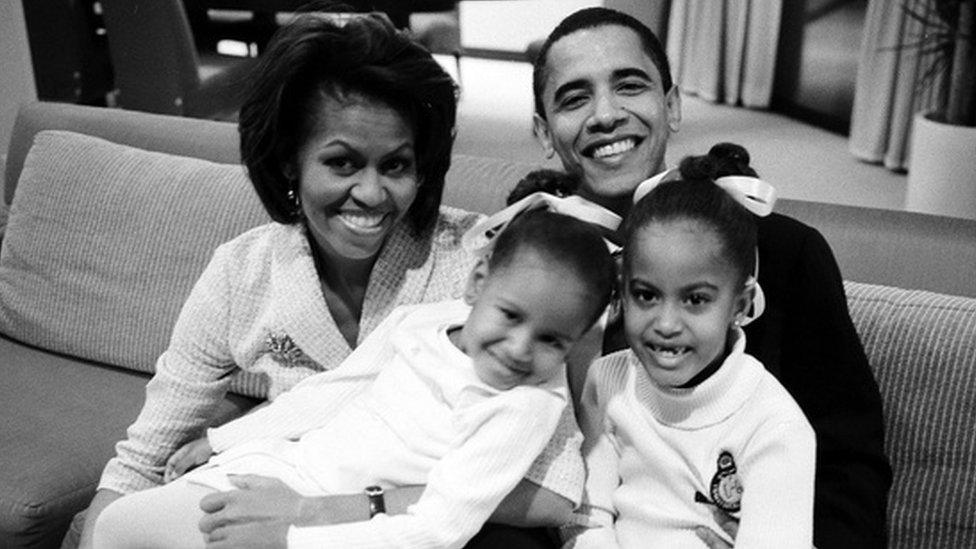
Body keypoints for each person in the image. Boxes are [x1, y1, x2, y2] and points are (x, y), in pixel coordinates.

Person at [76, 11, 579, 549]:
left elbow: (550, 491)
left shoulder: (482, 271)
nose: (371, 194)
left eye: (395, 165)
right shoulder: (242, 273)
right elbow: (145, 453)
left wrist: (323, 514)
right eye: (342, 163)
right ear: (290, 161)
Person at [530, 7, 891, 548]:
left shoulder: (782, 253)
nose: (605, 114)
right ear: (543, 132)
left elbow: (847, 469)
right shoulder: (526, 262)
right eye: (575, 98)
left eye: (630, 85)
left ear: (672, 105)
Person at [92, 210, 617, 549]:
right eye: (510, 315)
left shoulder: (524, 407)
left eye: (553, 341)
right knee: (120, 528)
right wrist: (222, 438)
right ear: (477, 281)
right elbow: (337, 388)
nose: (521, 349)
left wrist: (294, 535)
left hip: (356, 527)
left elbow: (441, 526)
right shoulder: (425, 320)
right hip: (292, 466)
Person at [566, 155, 816, 548]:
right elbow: (588, 518)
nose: (666, 324)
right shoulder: (607, 381)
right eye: (646, 295)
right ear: (622, 289)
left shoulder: (774, 423)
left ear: (740, 303)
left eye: (695, 300)